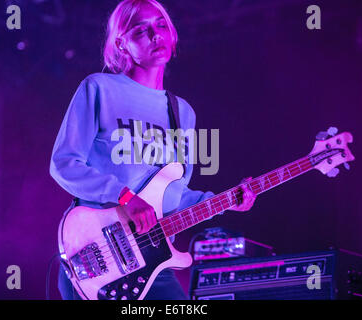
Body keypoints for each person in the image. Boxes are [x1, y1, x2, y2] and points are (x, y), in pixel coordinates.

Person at [49, 0, 256, 300]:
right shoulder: (99, 89)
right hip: (98, 259)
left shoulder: (182, 112)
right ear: (121, 44)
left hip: (152, 264)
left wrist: (227, 201)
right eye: (140, 30)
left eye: (161, 25)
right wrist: (125, 197)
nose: (156, 35)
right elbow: (64, 163)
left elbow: (175, 195)